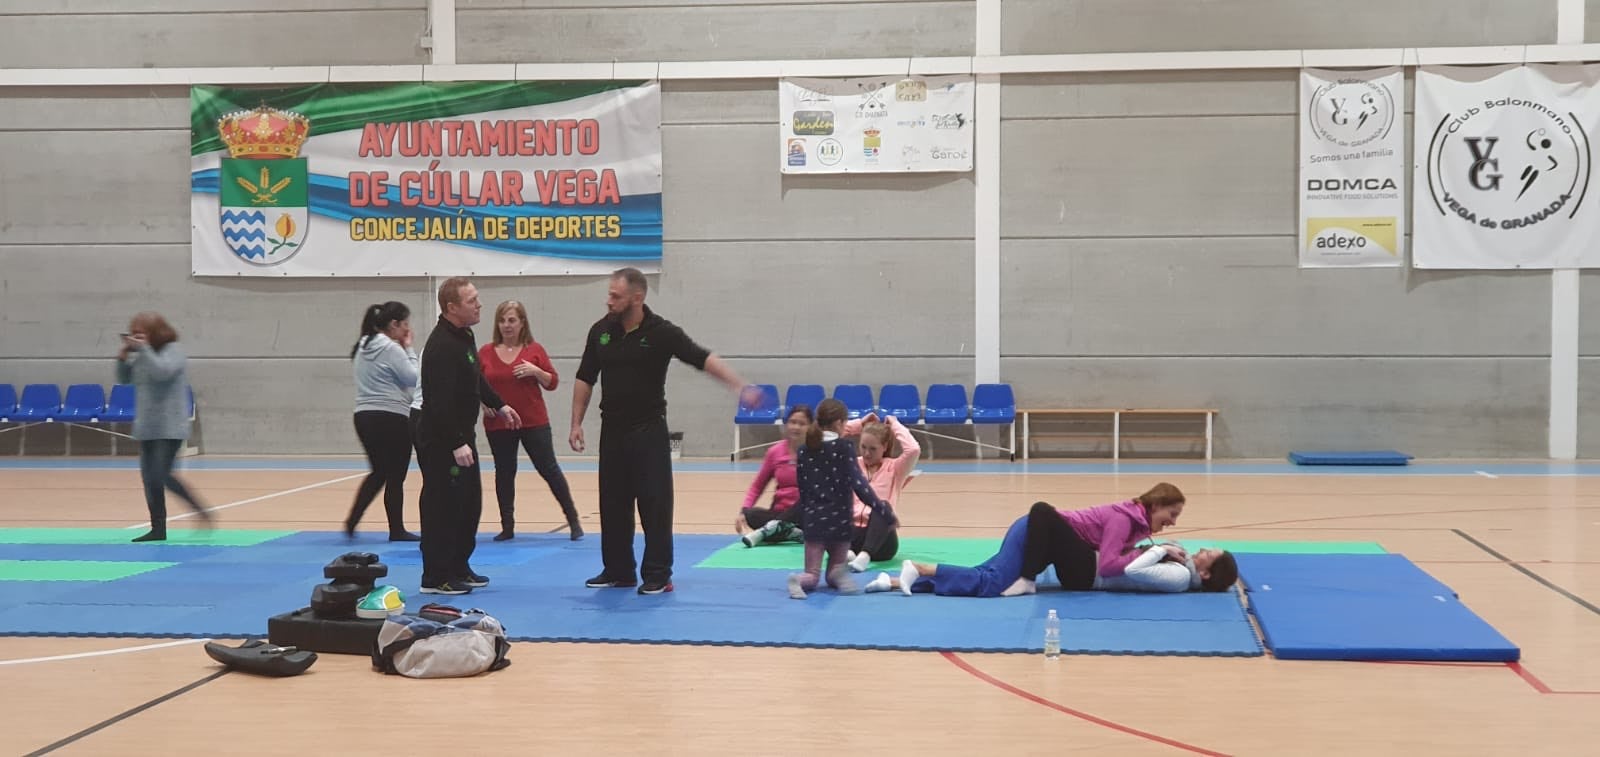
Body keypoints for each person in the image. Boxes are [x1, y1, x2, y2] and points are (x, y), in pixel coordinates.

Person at [570, 267, 765, 595]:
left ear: (638, 297)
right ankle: (619, 570)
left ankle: (658, 574)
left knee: (654, 504)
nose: (609, 302)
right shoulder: (600, 331)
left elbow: (701, 358)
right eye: (609, 295)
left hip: (648, 432)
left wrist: (740, 386)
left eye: (615, 297)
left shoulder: (661, 332)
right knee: (613, 505)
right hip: (612, 432)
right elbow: (584, 377)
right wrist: (576, 422)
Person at [414, 277, 521, 595]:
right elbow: (438, 400)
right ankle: (436, 575)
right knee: (442, 506)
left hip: (462, 434)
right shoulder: (441, 347)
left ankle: (459, 565)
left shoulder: (464, 336)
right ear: (452, 308)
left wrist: (499, 404)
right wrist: (456, 442)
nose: (479, 304)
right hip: (441, 439)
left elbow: (474, 377)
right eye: (472, 300)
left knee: (469, 503)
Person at [479, 299, 582, 542]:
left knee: (549, 469)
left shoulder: (534, 350)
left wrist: (536, 372)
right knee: (504, 473)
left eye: (512, 320)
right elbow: (474, 384)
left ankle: (573, 519)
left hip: (533, 421)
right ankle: (507, 526)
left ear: (522, 323)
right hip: (499, 424)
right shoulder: (485, 352)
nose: (507, 325)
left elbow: (553, 382)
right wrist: (484, 405)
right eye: (502, 321)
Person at [116, 312, 212, 542]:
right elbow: (124, 379)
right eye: (134, 334)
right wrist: (122, 359)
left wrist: (144, 350)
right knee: (149, 480)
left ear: (155, 332)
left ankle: (200, 510)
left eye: (141, 333)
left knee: (161, 474)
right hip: (147, 426)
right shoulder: (142, 355)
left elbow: (163, 372)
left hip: (170, 426)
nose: (137, 338)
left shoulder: (173, 351)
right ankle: (158, 528)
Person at [789, 399, 896, 599]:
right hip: (839, 522)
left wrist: (806, 517)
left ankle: (799, 580)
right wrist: (882, 510)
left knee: (812, 575)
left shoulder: (804, 450)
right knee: (834, 570)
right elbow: (859, 485)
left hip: (814, 522)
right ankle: (838, 575)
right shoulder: (844, 447)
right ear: (839, 423)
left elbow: (802, 489)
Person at [1020, 483, 1187, 591]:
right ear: (1156, 505)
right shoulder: (1123, 520)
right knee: (1041, 509)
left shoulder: (1139, 525)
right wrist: (1143, 553)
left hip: (1072, 560)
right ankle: (1027, 579)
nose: (1173, 522)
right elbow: (1107, 567)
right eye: (1172, 514)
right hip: (1056, 535)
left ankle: (1024, 577)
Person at [346, 301, 421, 541]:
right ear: (394, 324)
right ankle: (396, 529)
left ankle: (353, 518)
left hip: (363, 416)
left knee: (379, 472)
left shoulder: (361, 345)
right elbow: (413, 377)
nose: (407, 331)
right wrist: (409, 348)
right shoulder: (390, 347)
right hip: (391, 416)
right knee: (396, 475)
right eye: (405, 325)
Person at [843, 412, 920, 571]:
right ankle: (847, 553)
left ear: (884, 447)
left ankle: (864, 556)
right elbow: (825, 440)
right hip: (851, 533)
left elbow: (913, 450)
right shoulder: (851, 463)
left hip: (882, 543)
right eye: (863, 447)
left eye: (873, 449)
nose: (866, 453)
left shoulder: (895, 468)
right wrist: (858, 425)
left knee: (882, 506)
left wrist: (894, 424)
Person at [736, 404, 812, 547]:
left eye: (802, 424)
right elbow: (757, 486)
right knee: (751, 515)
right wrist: (743, 510)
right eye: (793, 422)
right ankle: (790, 532)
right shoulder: (774, 452)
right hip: (778, 513)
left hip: (805, 514)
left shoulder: (816, 452)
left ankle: (776, 530)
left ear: (810, 427)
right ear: (786, 424)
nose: (796, 427)